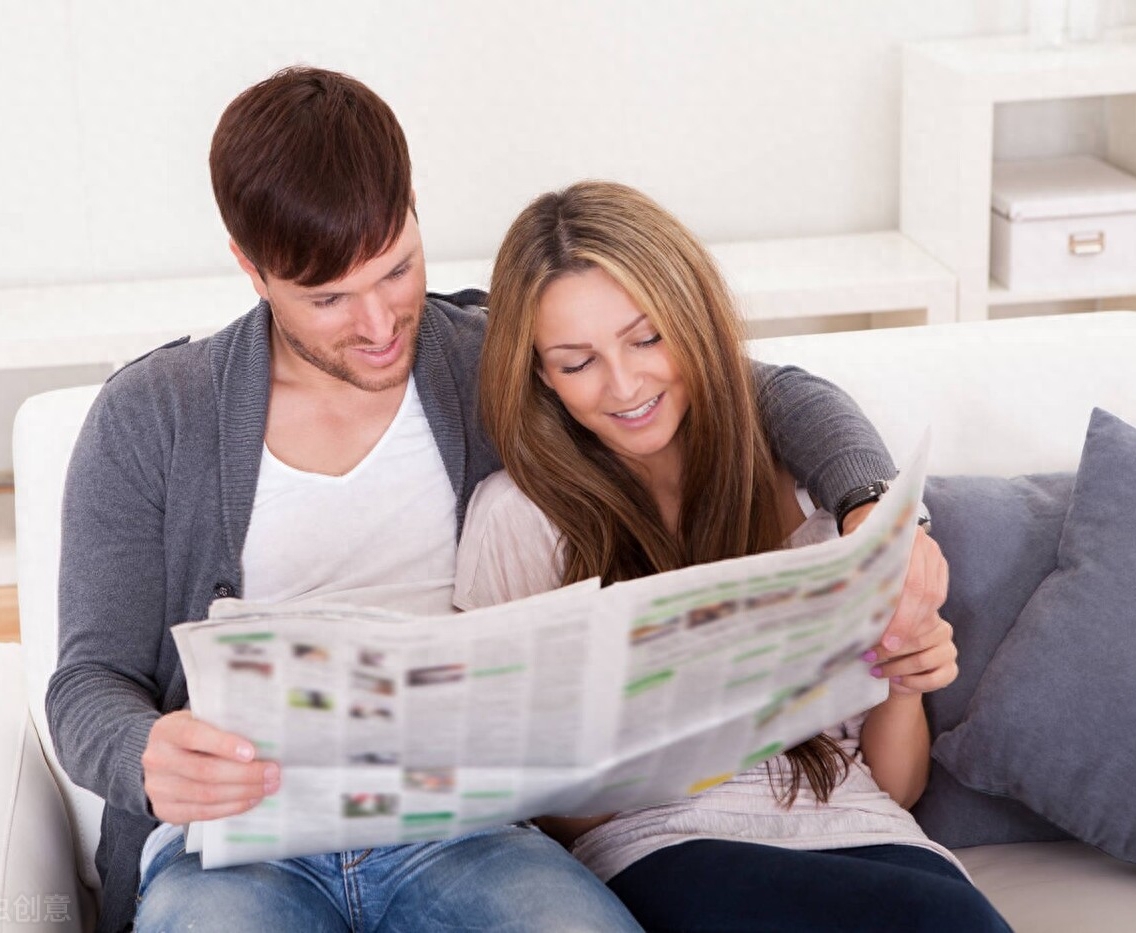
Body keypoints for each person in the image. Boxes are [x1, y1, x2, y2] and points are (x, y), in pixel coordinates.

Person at [47, 67, 938, 933]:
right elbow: (85, 684)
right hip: (236, 848)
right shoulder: (151, 415)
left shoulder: (484, 360)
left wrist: (872, 506)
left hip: (464, 835)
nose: (379, 325)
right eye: (329, 298)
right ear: (251, 268)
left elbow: (753, 389)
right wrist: (143, 753)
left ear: (415, 211)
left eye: (396, 269)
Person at [454, 180, 1013, 932]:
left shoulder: (816, 490)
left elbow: (895, 787)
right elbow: (546, 816)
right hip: (669, 847)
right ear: (540, 376)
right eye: (577, 361)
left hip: (871, 835)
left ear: (694, 320)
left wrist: (905, 681)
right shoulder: (519, 517)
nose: (624, 384)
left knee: (952, 915)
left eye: (647, 338)